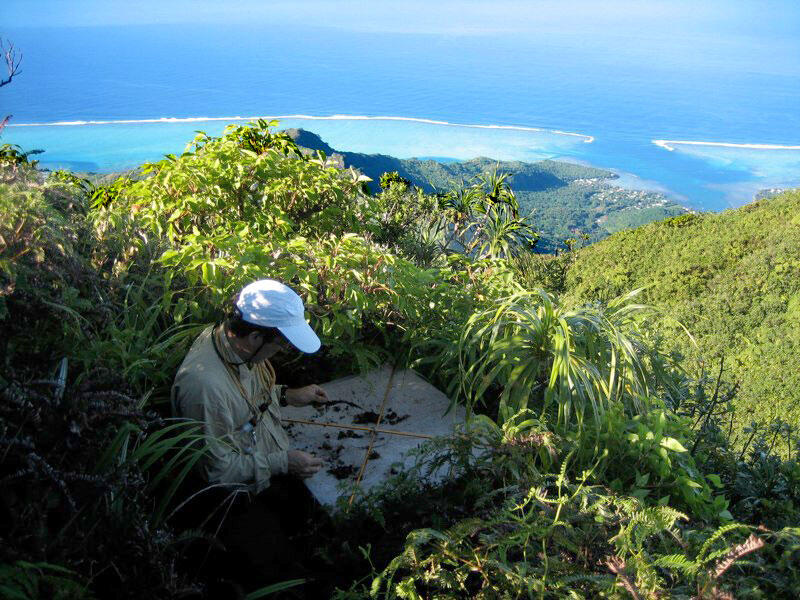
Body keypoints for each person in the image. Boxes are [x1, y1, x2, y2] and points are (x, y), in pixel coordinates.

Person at [171, 279, 329, 588]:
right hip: (231, 497)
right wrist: (282, 463)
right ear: (255, 336)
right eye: (281, 343)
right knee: (283, 575)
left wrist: (287, 395)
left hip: (262, 468)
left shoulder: (237, 347)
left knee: (309, 523)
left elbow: (247, 399)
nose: (282, 351)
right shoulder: (205, 387)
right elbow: (217, 472)